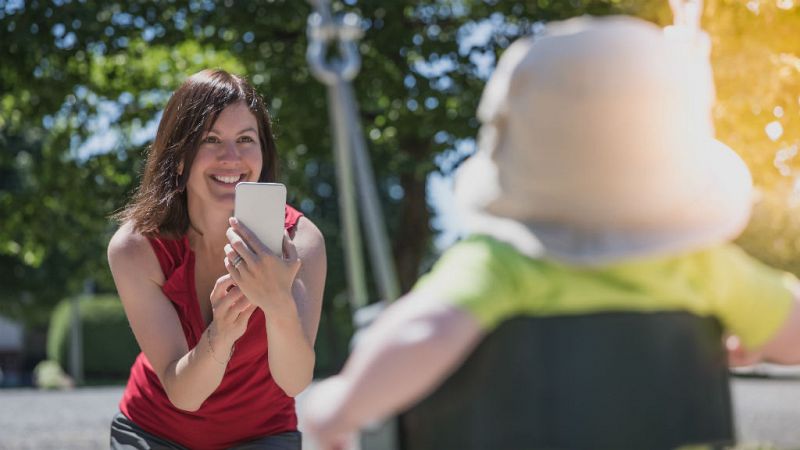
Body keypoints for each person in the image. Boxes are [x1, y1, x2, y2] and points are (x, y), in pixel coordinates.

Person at [301, 14, 800, 450]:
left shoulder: (503, 260)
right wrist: (757, 328)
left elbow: (424, 332)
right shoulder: (703, 265)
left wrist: (341, 406)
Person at [107, 69, 326, 450]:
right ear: (178, 159)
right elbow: (184, 394)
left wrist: (279, 305)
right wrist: (222, 333)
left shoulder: (300, 240)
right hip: (154, 431)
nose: (232, 157)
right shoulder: (135, 249)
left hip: (263, 433)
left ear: (263, 153)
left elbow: (294, 381)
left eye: (245, 139)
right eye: (211, 139)